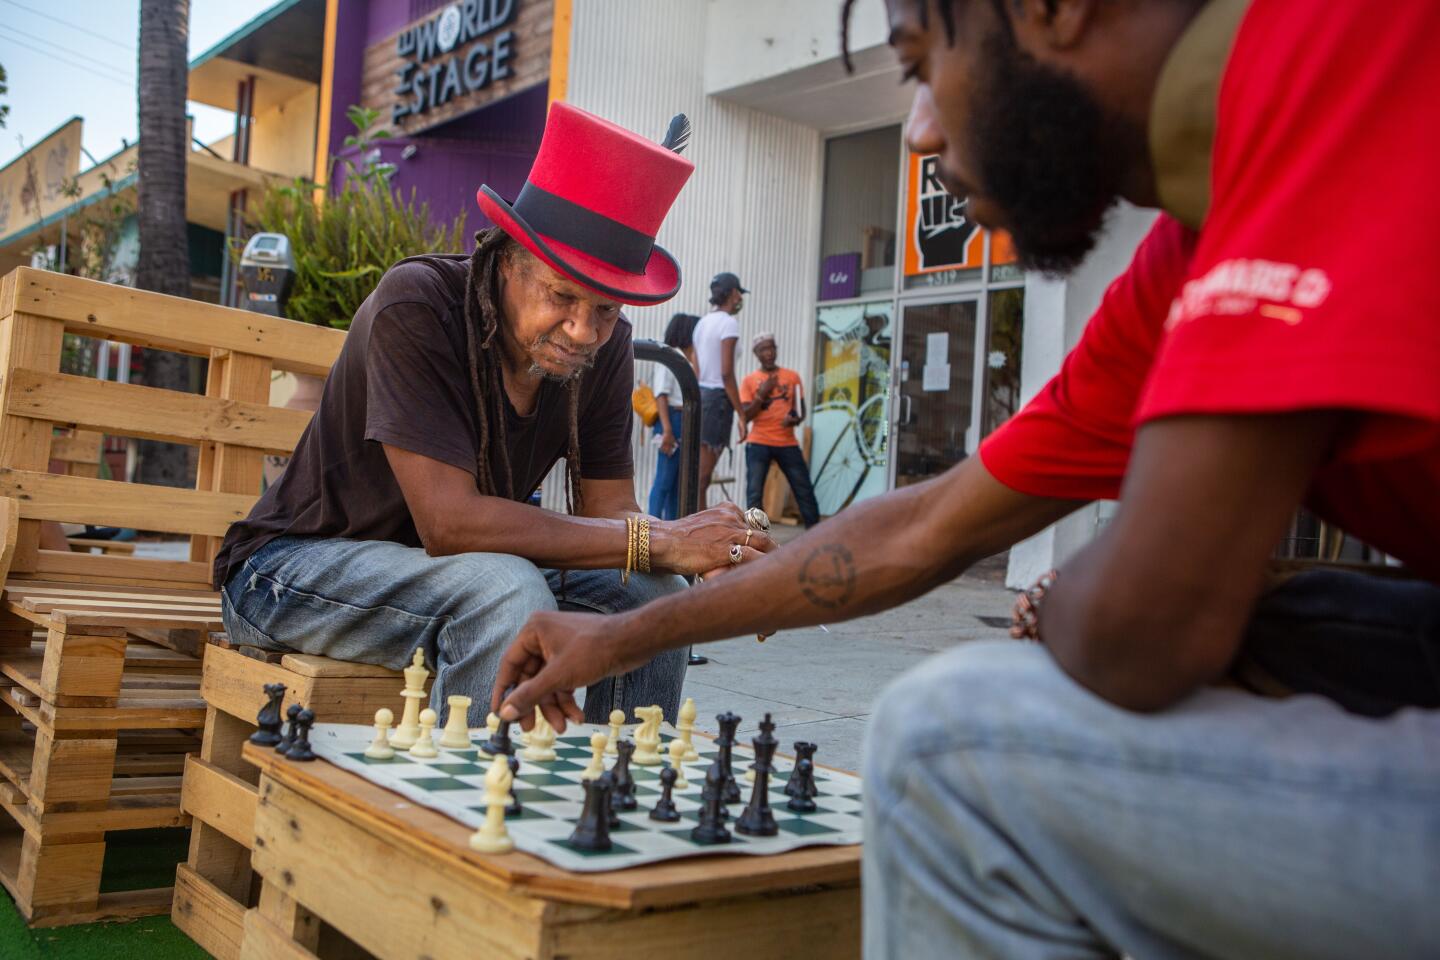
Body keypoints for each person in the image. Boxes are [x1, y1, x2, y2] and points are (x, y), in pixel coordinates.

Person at [490, 1, 1440, 957]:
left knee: (946, 746)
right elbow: (924, 527)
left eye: (920, 63)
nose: (921, 133)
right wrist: (619, 637)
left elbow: (1143, 633)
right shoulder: (1185, 256)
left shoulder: (1338, 50)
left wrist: (1073, 607)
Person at [211, 103, 774, 729]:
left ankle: (614, 801)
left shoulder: (605, 347)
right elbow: (449, 524)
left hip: (453, 573)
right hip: (293, 572)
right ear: (508, 258)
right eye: (561, 295)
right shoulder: (418, 303)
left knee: (654, 600)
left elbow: (609, 512)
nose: (584, 330)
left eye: (607, 310)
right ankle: (475, 819)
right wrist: (664, 539)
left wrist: (701, 559)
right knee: (506, 593)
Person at [740, 333, 821, 528]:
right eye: (763, 350)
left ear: (776, 349)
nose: (768, 353)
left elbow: (801, 411)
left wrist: (794, 419)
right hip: (758, 442)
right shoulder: (749, 381)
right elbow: (746, 416)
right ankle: (756, 537)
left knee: (803, 488)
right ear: (756, 354)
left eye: (771, 348)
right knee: (754, 493)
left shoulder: (792, 377)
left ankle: (817, 533)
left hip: (787, 442)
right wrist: (762, 393)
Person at [691, 271, 748, 504]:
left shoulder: (702, 323)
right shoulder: (729, 324)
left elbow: (696, 369)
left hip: (700, 396)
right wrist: (743, 415)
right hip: (717, 402)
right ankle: (698, 534)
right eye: (739, 294)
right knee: (702, 479)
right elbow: (726, 373)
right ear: (733, 294)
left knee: (697, 477)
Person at [647, 312, 699, 520]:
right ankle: (652, 525)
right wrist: (668, 430)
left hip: (683, 421)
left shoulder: (686, 359)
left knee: (678, 480)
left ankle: (671, 526)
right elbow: (661, 395)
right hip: (671, 421)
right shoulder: (669, 357)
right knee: (665, 479)